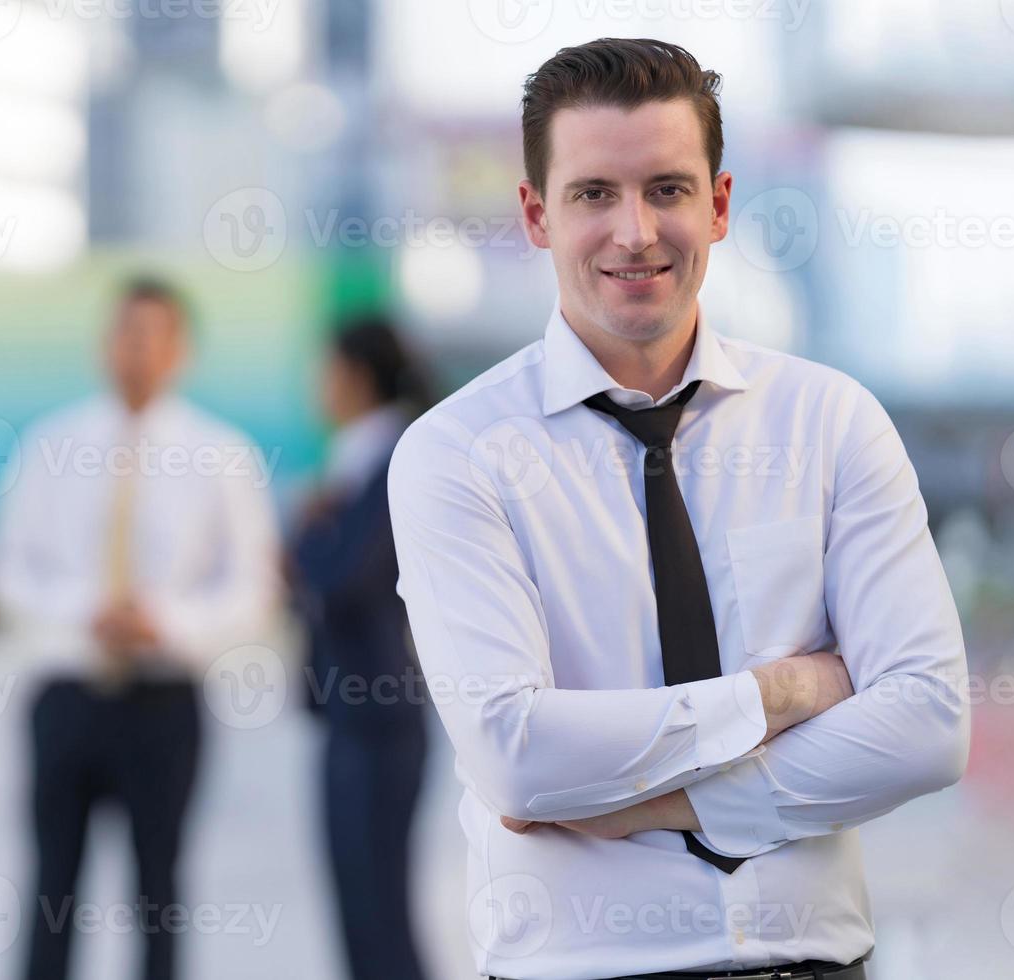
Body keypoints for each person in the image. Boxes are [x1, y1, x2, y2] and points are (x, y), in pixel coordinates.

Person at [386, 38, 970, 980]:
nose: (635, 232)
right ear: (536, 214)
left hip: (816, 962)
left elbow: (928, 726)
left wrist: (659, 804)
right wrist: (779, 696)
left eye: (666, 189)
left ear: (720, 203)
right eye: (593, 195)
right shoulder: (458, 455)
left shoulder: (829, 421)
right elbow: (520, 761)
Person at [0, 277, 281, 980]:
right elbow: (6, 572)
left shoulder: (220, 455)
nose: (134, 352)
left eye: (151, 337)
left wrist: (168, 622)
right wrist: (85, 611)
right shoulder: (51, 445)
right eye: (122, 334)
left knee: (160, 894)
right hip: (69, 692)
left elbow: (252, 588)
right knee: (52, 888)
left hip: (164, 701)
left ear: (181, 351)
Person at [288, 315, 431, 980]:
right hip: (351, 710)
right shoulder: (356, 457)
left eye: (326, 368)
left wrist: (306, 535)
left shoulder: (395, 452)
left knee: (378, 913)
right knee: (357, 909)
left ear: (354, 374)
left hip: (378, 714)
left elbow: (348, 578)